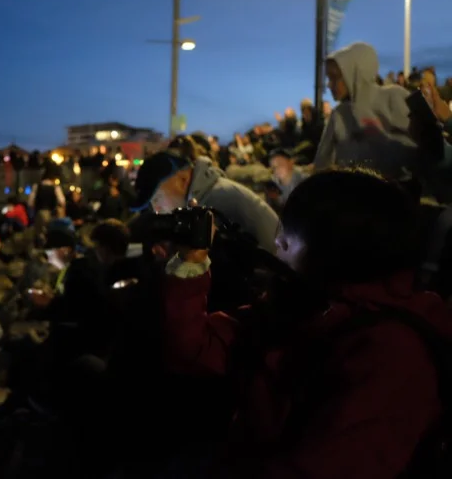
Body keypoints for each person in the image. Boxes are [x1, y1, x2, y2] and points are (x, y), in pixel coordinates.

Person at [163, 168, 452, 478]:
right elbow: (195, 347)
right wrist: (190, 261)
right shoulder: (303, 302)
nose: (278, 240)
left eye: (294, 230)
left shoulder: (392, 352)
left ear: (339, 248)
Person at [131, 140, 279, 253]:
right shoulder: (210, 193)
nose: (156, 209)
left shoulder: (213, 204)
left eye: (157, 198)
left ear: (182, 180)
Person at [314, 41, 417, 178]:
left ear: (355, 72)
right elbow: (321, 162)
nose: (329, 84)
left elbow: (420, 147)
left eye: (335, 77)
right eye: (328, 78)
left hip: (394, 188)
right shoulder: (338, 114)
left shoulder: (393, 97)